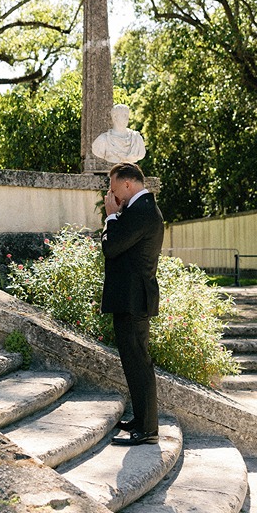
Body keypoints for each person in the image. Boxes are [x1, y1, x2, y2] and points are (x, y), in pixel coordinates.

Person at [101, 162, 164, 446]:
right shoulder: (139, 208)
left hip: (134, 299)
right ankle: (141, 420)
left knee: (139, 363)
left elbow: (111, 247)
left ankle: (148, 429)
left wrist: (111, 217)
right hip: (129, 298)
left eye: (114, 188)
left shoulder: (142, 211)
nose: (112, 195)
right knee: (133, 362)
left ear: (128, 184)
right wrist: (116, 217)